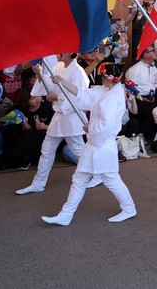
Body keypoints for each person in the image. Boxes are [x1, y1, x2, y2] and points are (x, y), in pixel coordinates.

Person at [41, 64, 136, 226]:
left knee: (111, 179)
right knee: (80, 178)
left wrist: (89, 127)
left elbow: (106, 126)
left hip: (103, 144)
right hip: (95, 143)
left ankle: (129, 208)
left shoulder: (115, 97)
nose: (101, 79)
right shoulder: (107, 90)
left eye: (102, 76)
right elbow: (85, 95)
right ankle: (66, 214)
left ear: (107, 77)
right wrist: (63, 82)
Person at [16, 54, 89, 195]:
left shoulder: (78, 71)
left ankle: (98, 174)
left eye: (61, 50)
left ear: (71, 52)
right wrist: (40, 74)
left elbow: (79, 95)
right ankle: (38, 183)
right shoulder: (58, 66)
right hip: (59, 114)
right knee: (47, 149)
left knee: (78, 150)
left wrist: (56, 97)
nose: (57, 54)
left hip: (71, 115)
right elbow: (48, 86)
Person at [125, 46, 157, 141]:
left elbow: (155, 83)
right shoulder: (135, 69)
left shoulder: (154, 67)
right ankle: (140, 137)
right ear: (145, 54)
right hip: (139, 99)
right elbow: (130, 87)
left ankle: (147, 136)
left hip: (152, 97)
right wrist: (141, 98)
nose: (155, 52)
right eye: (153, 51)